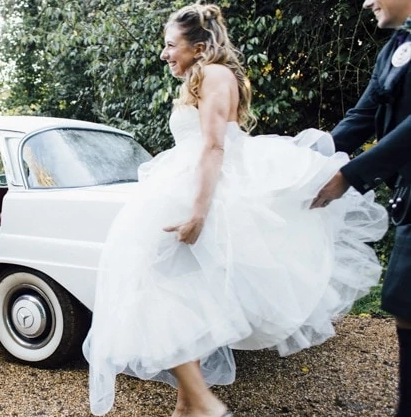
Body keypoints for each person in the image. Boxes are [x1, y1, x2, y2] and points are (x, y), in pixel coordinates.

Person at [82, 3, 389, 417]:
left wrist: (198, 213)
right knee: (184, 290)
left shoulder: (211, 75)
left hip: (198, 190)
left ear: (199, 45)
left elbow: (213, 145)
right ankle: (187, 405)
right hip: (190, 182)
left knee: (152, 289)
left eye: (171, 45)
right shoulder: (211, 75)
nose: (164, 53)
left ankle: (203, 403)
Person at [311, 0, 411, 415]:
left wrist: (350, 175)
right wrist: (308, 161)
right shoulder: (393, 48)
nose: (368, 2)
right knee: (404, 301)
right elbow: (364, 114)